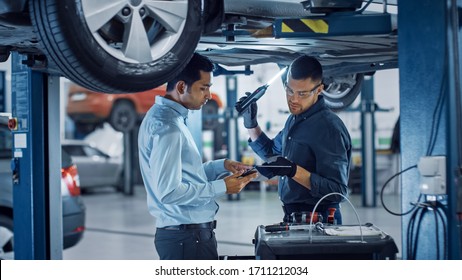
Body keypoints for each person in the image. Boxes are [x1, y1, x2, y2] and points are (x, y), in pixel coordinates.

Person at [138, 53, 257, 260]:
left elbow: (184, 174)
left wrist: (222, 165)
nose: (209, 96)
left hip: (186, 237)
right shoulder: (169, 128)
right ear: (182, 87)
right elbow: (169, 192)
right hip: (187, 238)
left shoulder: (164, 117)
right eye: (204, 88)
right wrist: (222, 187)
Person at [237, 55, 351, 224]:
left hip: (320, 221)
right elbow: (272, 154)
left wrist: (294, 171)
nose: (294, 99)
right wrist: (251, 124)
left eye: (302, 93)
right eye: (290, 90)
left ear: (319, 90)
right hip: (294, 218)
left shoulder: (328, 128)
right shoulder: (295, 119)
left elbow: (337, 191)